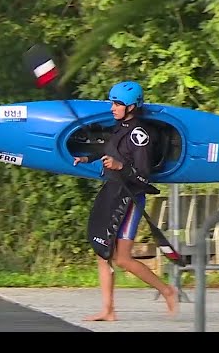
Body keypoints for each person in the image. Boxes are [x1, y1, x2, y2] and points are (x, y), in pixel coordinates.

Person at [73, 80, 177, 321]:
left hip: (130, 198)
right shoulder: (119, 127)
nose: (112, 107)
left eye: (117, 103)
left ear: (131, 107)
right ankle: (108, 310)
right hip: (113, 192)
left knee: (122, 258)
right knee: (102, 252)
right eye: (112, 102)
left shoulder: (140, 135)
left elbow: (143, 175)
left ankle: (167, 291)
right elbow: (110, 150)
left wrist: (121, 166)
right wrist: (88, 159)